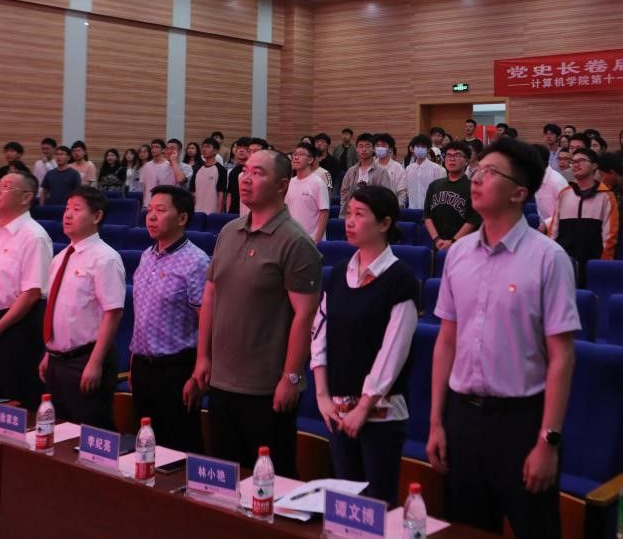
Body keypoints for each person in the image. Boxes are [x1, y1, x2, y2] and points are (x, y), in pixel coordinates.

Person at [426, 136, 578, 539]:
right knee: (466, 529)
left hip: (521, 422)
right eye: (477, 170)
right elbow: (446, 341)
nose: (476, 179)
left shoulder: (549, 258)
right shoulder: (458, 254)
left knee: (535, 527)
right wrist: (437, 422)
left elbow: (562, 357)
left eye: (490, 173)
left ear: (519, 193)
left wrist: (548, 441)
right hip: (463, 418)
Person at [191, 150, 321, 476]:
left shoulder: (296, 242)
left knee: (268, 482)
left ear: (282, 185)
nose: (245, 179)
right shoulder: (228, 232)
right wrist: (203, 358)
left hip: (266, 389)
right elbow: (211, 296)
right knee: (224, 478)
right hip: (221, 381)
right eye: (244, 171)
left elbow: (305, 316)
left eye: (258, 173)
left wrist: (291, 377)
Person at [311, 185, 419, 506]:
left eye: (360, 214)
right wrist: (322, 396)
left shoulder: (400, 279)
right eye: (348, 213)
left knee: (377, 504)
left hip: (381, 414)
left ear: (384, 224)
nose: (349, 221)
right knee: (345, 502)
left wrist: (363, 407)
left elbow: (393, 351)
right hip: (338, 409)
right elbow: (319, 334)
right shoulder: (338, 273)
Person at [39, 187, 126, 428]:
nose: (67, 214)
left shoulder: (105, 258)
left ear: (97, 216)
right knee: (59, 430)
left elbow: (113, 314)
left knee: (90, 432)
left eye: (76, 209)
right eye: (67, 208)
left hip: (86, 359)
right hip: (57, 361)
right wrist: (49, 353)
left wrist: (95, 362)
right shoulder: (60, 257)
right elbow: (57, 310)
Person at [133, 185, 210, 452]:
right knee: (146, 445)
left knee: (179, 447)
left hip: (176, 369)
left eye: (161, 210)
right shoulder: (146, 256)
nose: (151, 216)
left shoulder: (196, 261)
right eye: (149, 210)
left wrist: (197, 375)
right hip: (142, 367)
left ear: (182, 218)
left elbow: (206, 321)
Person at [0, 171, 51, 411]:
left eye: (6, 187)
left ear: (26, 197)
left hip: (16, 327)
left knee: (17, 402)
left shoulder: (34, 236)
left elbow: (32, 293)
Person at [549, 148, 618, 286]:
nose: (575, 164)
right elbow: (553, 232)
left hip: (593, 263)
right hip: (565, 262)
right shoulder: (564, 194)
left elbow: (610, 236)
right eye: (573, 161)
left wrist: (603, 265)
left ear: (594, 165)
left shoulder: (606, 196)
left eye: (581, 160)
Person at [424, 141, 482, 250]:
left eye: (457, 155)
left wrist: (453, 241)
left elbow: (473, 220)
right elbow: (427, 216)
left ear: (467, 161)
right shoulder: (434, 185)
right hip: (438, 245)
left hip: (463, 246)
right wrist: (437, 240)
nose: (452, 159)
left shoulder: (473, 187)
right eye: (448, 155)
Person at [287, 143, 330, 242]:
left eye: (301, 154)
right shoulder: (290, 182)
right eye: (295, 154)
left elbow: (324, 213)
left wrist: (317, 240)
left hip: (311, 241)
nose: (296, 157)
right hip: (292, 240)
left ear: (310, 160)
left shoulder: (318, 183)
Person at [340, 134, 396, 208]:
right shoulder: (351, 171)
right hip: (353, 210)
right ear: (356, 149)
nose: (364, 149)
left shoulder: (382, 172)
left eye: (367, 146)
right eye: (361, 146)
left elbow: (386, 196)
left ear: (373, 149)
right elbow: (344, 193)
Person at [532, 145, 569, 236]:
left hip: (560, 231)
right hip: (543, 231)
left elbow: (567, 211)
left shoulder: (557, 181)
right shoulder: (534, 178)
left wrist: (545, 225)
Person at [404, 135, 446, 214]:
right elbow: (406, 191)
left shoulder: (438, 169)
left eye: (423, 147)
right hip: (411, 211)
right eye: (417, 146)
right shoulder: (408, 169)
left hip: (430, 213)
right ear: (413, 149)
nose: (420, 149)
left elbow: (441, 194)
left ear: (428, 149)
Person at [373, 134, 409, 207]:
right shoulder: (372, 165)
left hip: (391, 206)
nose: (380, 148)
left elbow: (402, 192)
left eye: (383, 146)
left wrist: (399, 207)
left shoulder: (397, 167)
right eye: (378, 146)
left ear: (390, 149)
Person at [139, 139, 178, 207]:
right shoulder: (147, 166)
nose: (153, 149)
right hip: (148, 203)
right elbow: (144, 186)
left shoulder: (168, 165)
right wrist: (144, 202)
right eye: (152, 147)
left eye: (157, 147)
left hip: (163, 203)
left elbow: (171, 187)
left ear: (163, 150)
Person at [193, 138, 227, 215]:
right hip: (196, 212)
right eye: (203, 147)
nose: (204, 149)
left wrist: (217, 215)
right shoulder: (197, 169)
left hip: (212, 213)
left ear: (216, 151)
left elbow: (221, 194)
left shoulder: (221, 170)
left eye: (208, 147)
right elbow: (193, 192)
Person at [225, 138, 252, 215]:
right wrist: (228, 212)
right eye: (239, 148)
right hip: (233, 212)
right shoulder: (233, 171)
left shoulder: (253, 171)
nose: (241, 150)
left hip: (249, 213)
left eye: (245, 148)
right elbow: (229, 194)